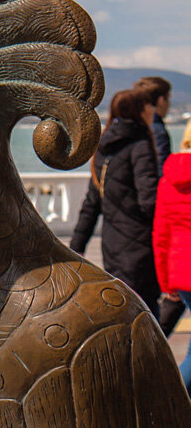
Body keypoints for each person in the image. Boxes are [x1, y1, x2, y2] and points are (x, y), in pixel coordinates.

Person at [70, 88, 161, 315]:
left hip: (112, 244)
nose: (153, 110)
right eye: (149, 105)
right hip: (141, 244)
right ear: (140, 110)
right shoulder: (140, 144)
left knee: (125, 310)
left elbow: (92, 203)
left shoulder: (104, 146)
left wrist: (77, 246)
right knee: (148, 313)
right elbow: (149, 199)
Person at [135, 75, 185, 333]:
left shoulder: (134, 128)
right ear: (161, 100)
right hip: (151, 223)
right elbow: (162, 176)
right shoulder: (157, 131)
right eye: (168, 98)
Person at [154, 123, 191, 392]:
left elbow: (161, 234)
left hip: (181, 272)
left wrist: (167, 283)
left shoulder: (169, 179)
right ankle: (178, 400)